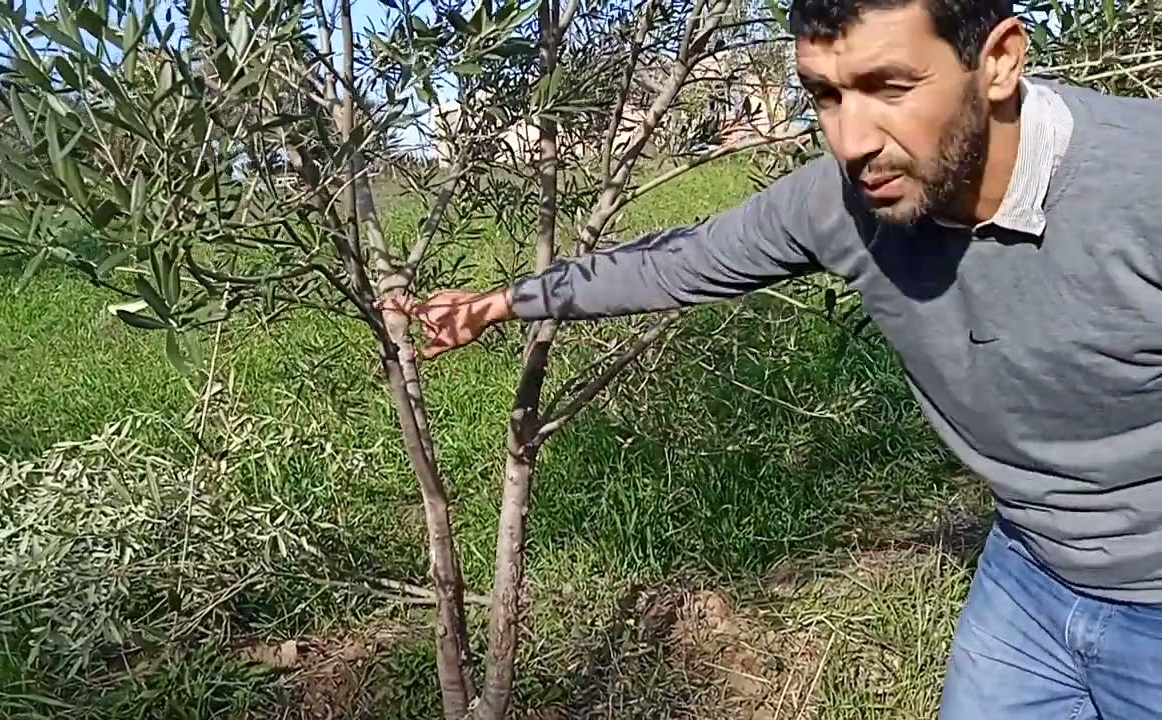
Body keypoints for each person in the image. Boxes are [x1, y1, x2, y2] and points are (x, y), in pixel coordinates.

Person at [381, 0, 1162, 716]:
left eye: (889, 86)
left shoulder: (1141, 186)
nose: (852, 141)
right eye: (825, 95)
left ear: (999, 60)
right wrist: (500, 302)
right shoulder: (845, 205)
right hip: (1028, 572)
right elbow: (677, 261)